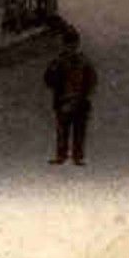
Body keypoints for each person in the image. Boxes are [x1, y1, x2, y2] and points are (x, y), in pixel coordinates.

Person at [44, 27, 98, 166]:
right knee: (65, 129)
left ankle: (74, 156)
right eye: (69, 45)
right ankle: (66, 155)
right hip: (66, 100)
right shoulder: (61, 62)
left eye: (72, 45)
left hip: (76, 100)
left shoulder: (80, 61)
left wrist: (86, 93)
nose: (71, 48)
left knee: (76, 130)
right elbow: (49, 79)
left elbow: (91, 80)